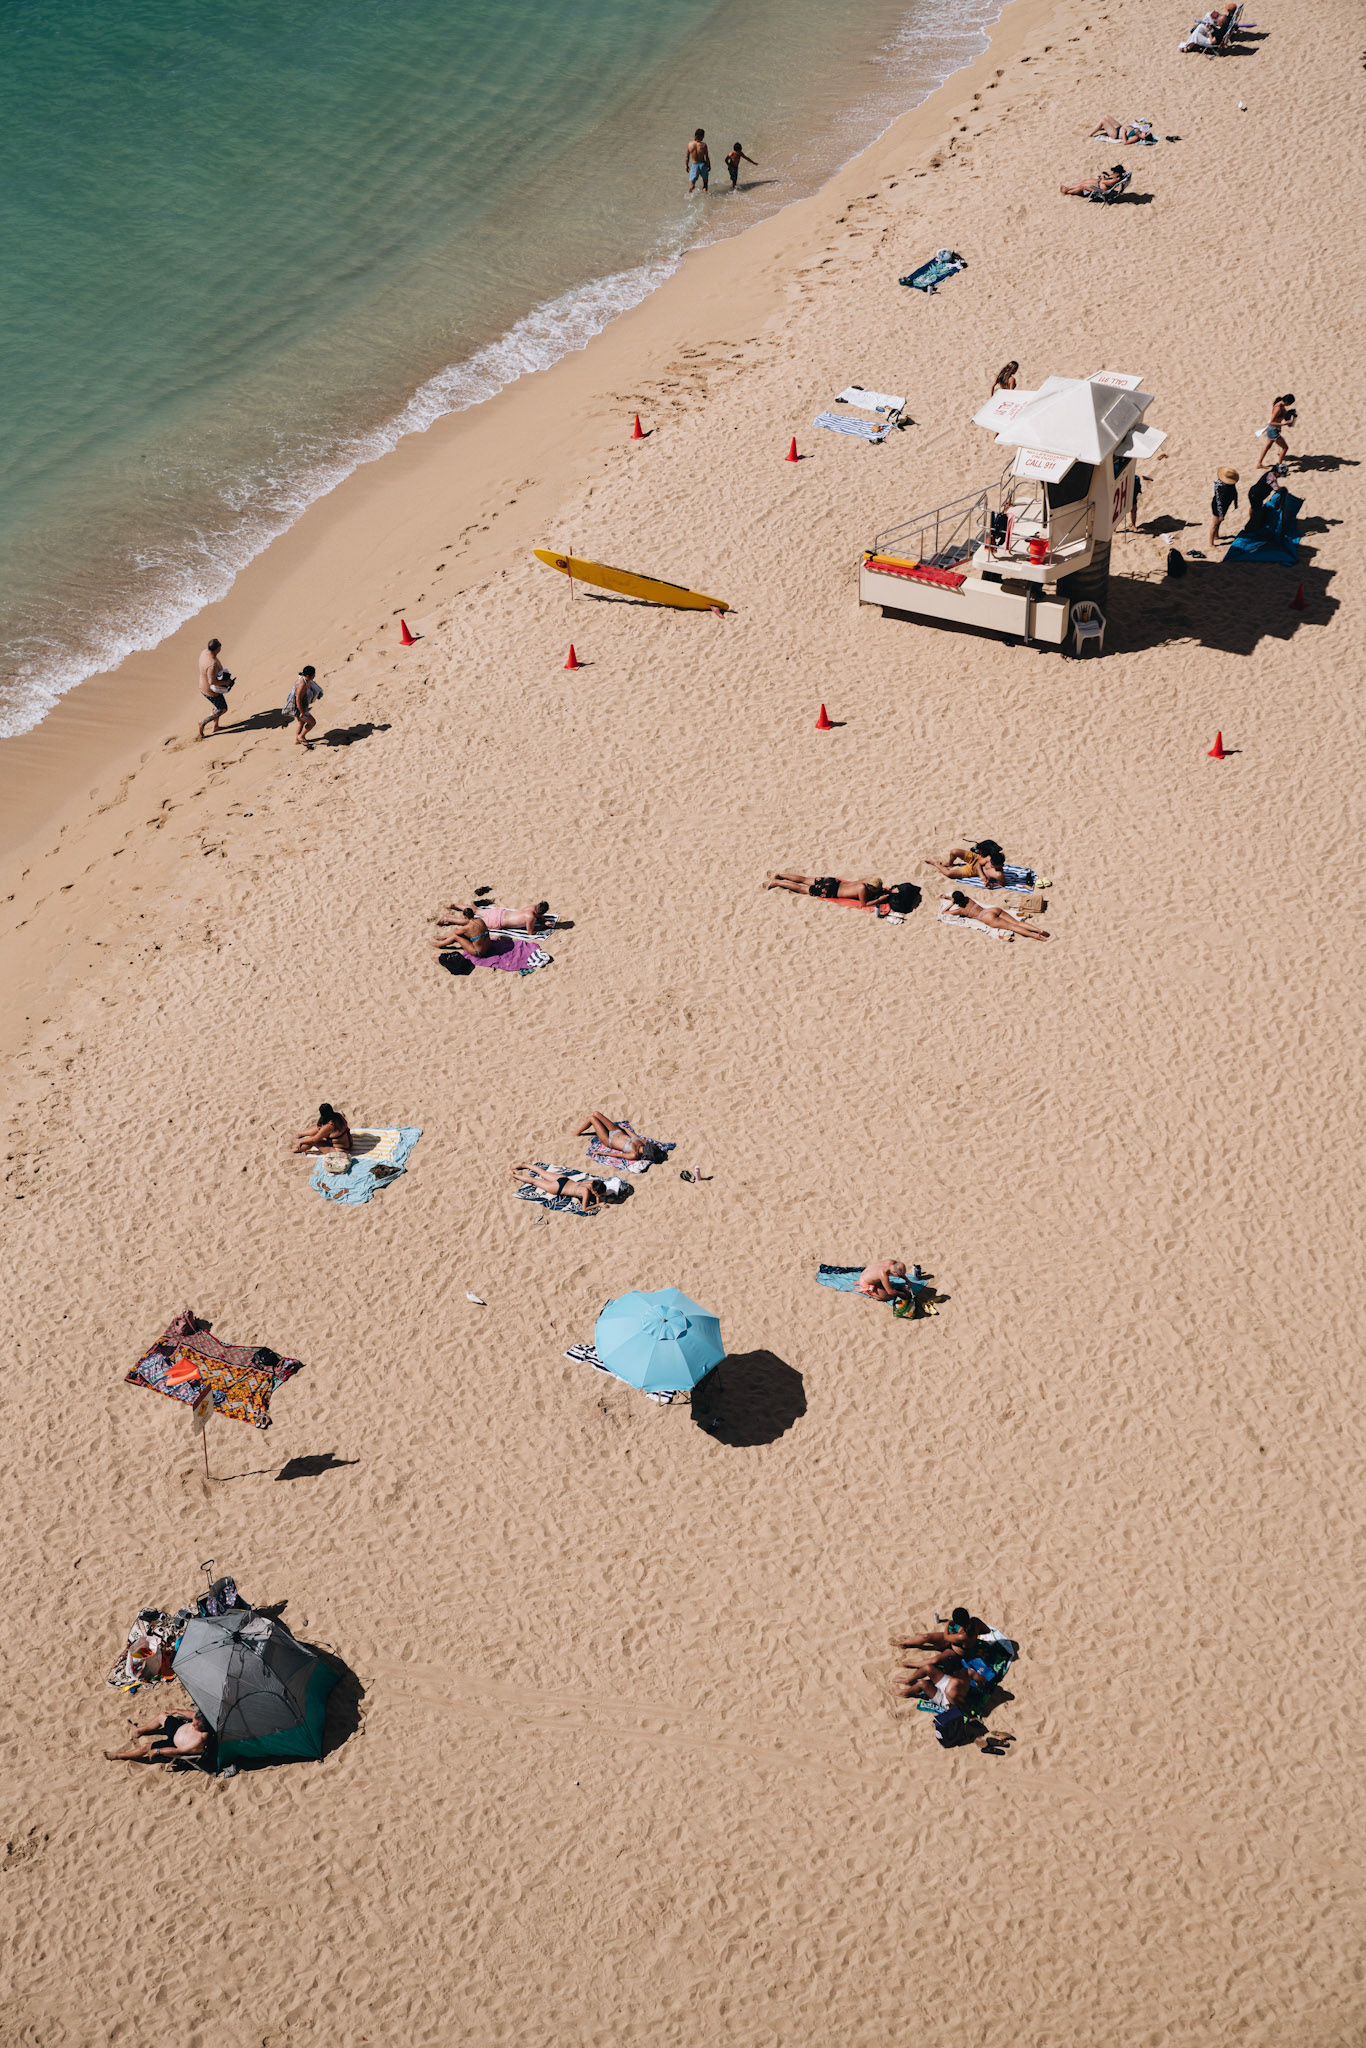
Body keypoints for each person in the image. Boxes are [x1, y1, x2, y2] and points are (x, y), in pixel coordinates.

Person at [104, 1708, 210, 1764]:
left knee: (146, 1747)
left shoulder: (199, 1740)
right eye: (193, 1721)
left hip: (173, 1745)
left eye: (195, 1725)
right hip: (178, 1729)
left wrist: (158, 1751)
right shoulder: (205, 1718)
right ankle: (139, 1731)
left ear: (203, 1727)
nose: (192, 1723)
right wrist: (176, 1710)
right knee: (162, 1716)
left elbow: (179, 1751)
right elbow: (192, 1714)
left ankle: (119, 1756)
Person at [508, 1164, 626, 1213]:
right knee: (534, 1181)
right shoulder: (585, 1192)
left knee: (542, 1172)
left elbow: (595, 1192)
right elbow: (584, 1208)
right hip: (557, 1188)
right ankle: (514, 1175)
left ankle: (524, 1164)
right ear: (595, 1191)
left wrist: (597, 1196)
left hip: (563, 1179)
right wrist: (598, 1204)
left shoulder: (592, 1182)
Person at [941, 889, 1049, 939]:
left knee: (1013, 927)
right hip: (992, 910)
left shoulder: (961, 910)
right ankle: (1038, 930)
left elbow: (944, 912)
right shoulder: (968, 899)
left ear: (956, 901)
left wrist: (951, 903)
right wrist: (949, 897)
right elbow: (960, 898)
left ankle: (1035, 935)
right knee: (1016, 922)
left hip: (987, 917)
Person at [890, 1606, 986, 1658]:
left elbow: (946, 1637)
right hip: (957, 1642)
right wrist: (974, 1636)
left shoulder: (961, 1636)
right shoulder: (976, 1621)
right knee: (926, 1637)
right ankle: (904, 1642)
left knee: (927, 1639)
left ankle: (902, 1643)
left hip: (957, 1652)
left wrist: (947, 1624)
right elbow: (987, 1631)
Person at [573, 1113, 668, 1165]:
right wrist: (624, 1128)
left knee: (592, 1118)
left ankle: (577, 1133)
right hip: (616, 1131)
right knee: (596, 1114)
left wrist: (601, 1153)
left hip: (609, 1140)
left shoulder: (634, 1154)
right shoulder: (642, 1142)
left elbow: (618, 1155)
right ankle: (588, 1122)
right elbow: (632, 1134)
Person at [435, 899, 549, 938]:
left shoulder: (531, 907)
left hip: (499, 912)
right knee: (471, 921)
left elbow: (537, 914)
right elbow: (530, 932)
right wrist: (543, 926)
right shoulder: (531, 918)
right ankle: (448, 918)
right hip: (498, 921)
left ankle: (455, 905)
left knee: (475, 910)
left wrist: (542, 919)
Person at [923, 840, 1008, 887]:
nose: (991, 864)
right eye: (991, 862)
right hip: (976, 860)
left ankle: (935, 863)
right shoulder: (990, 858)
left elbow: (1001, 884)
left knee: (949, 873)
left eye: (993, 864)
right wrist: (982, 875)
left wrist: (990, 884)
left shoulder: (999, 875)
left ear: (1000, 865)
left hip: (972, 870)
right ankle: (949, 863)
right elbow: (979, 863)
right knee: (954, 851)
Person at [196, 638, 234, 740]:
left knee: (218, 706)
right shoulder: (211, 664)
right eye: (220, 645)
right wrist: (227, 682)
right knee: (222, 709)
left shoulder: (204, 652)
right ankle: (203, 722)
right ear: (217, 648)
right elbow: (212, 682)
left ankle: (216, 727)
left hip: (203, 684)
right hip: (210, 690)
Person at [764, 872, 884, 903]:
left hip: (833, 882)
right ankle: (777, 883)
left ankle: (779, 875)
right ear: (872, 887)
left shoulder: (866, 881)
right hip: (830, 890)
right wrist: (879, 900)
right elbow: (864, 904)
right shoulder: (862, 889)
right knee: (801, 889)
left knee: (804, 880)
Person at [284, 665, 323, 747]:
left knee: (301, 723)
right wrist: (302, 712)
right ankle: (301, 736)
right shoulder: (302, 685)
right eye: (313, 674)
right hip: (299, 708)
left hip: (302, 707)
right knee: (312, 722)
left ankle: (296, 741)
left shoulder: (306, 680)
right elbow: (298, 700)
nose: (314, 676)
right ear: (308, 676)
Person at [1257, 395, 1295, 470]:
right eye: (1290, 403)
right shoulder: (1278, 408)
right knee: (1285, 448)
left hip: (1272, 430)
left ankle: (1259, 463)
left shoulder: (1281, 405)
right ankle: (1279, 466)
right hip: (1273, 430)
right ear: (1287, 402)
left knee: (1267, 446)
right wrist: (1283, 424)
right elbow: (1271, 422)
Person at [1209, 467, 1239, 547]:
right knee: (1214, 524)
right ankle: (1211, 543)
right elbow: (1218, 501)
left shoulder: (1231, 483)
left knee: (1219, 522)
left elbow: (1235, 492)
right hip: (1218, 506)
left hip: (1225, 504)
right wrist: (1221, 514)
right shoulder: (1218, 486)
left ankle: (1216, 536)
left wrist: (1235, 503)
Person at [1060, 163, 1125, 197]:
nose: (1113, 173)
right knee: (1084, 181)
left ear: (1117, 173)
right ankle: (1068, 188)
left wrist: (1102, 177)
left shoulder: (1115, 180)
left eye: (1114, 172)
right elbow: (1107, 179)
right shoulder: (1117, 176)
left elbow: (1104, 182)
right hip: (1100, 184)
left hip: (1101, 189)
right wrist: (1105, 175)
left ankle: (1067, 192)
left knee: (1083, 186)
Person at [1088, 116, 1153, 142]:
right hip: (1119, 128)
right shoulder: (1140, 131)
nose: (1146, 132)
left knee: (1103, 121)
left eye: (1146, 133)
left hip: (1116, 134)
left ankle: (1090, 134)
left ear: (1144, 138)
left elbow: (1125, 142)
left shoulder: (1136, 137)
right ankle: (1101, 127)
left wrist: (1124, 133)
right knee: (1106, 117)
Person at [686, 129, 710, 195]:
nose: (703, 137)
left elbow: (687, 157)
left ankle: (690, 197)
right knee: (705, 184)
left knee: (692, 184)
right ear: (700, 136)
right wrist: (709, 165)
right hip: (703, 165)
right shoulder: (704, 145)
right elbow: (707, 157)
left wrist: (686, 166)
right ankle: (705, 198)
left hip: (694, 165)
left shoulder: (690, 144)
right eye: (703, 136)